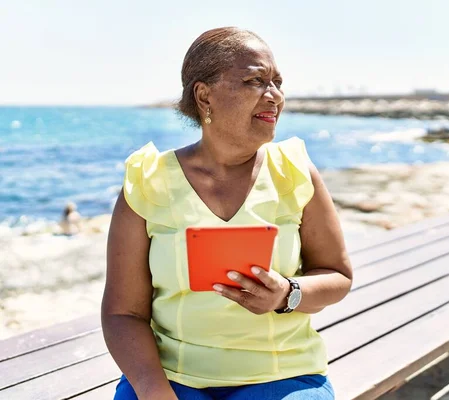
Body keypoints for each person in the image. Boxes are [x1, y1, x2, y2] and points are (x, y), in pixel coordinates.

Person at [102, 27, 353, 400]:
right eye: (256, 81)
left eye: (277, 83)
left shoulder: (295, 171)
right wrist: (153, 389)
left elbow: (338, 276)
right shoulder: (148, 180)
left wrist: (287, 293)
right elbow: (123, 313)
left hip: (282, 375)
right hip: (170, 378)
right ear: (205, 95)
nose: (275, 97)